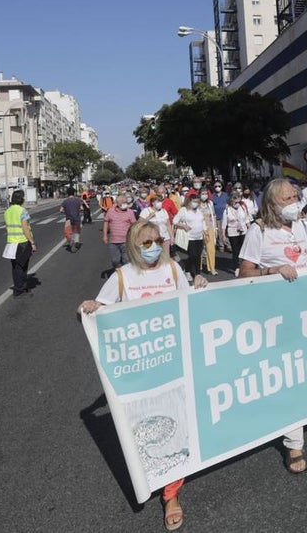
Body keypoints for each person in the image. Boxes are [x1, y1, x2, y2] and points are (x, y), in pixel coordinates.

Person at [78, 219, 208, 531]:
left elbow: (188, 304)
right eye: (145, 243)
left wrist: (199, 285)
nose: (153, 248)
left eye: (157, 241)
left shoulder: (174, 270)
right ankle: (150, 474)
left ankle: (171, 494)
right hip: (139, 373)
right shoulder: (123, 277)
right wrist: (91, 306)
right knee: (147, 433)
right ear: (134, 247)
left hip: (174, 364)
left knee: (177, 426)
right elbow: (101, 309)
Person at [237, 177, 307, 473]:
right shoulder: (258, 230)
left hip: (305, 309)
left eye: (294, 196)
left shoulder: (302, 225)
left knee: (305, 369)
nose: (293, 202)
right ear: (272, 204)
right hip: (272, 314)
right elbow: (244, 273)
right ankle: (293, 444)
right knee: (288, 373)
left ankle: (285, 414)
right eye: (286, 198)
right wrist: (274, 270)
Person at [4, 190, 37, 298]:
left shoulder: (7, 211)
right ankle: (20, 289)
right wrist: (32, 242)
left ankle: (19, 287)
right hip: (22, 242)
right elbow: (25, 229)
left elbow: (7, 227)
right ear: (21, 199)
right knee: (22, 267)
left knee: (15, 267)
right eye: (23, 198)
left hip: (11, 243)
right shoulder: (23, 211)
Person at [173, 193, 208, 280]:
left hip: (199, 237)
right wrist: (183, 226)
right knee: (192, 255)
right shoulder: (184, 210)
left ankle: (197, 274)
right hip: (189, 237)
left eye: (197, 201)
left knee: (198, 256)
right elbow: (174, 221)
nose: (195, 203)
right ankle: (188, 271)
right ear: (189, 202)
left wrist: (205, 230)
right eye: (194, 201)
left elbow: (202, 221)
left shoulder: (199, 211)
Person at [102, 194, 137, 272]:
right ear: (117, 203)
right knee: (115, 260)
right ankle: (118, 270)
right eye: (122, 202)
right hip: (114, 241)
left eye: (125, 202)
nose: (125, 204)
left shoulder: (130, 212)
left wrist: (135, 236)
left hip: (126, 240)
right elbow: (106, 222)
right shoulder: (110, 211)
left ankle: (125, 276)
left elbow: (134, 225)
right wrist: (104, 235)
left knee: (126, 260)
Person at [220, 191, 252, 271]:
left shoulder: (242, 207)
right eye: (235, 202)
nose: (237, 204)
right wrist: (223, 235)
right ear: (231, 201)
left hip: (243, 231)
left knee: (243, 249)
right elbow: (224, 224)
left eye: (238, 202)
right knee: (235, 250)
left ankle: (242, 265)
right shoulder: (227, 210)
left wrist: (250, 229)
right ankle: (236, 267)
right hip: (232, 232)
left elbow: (246, 219)